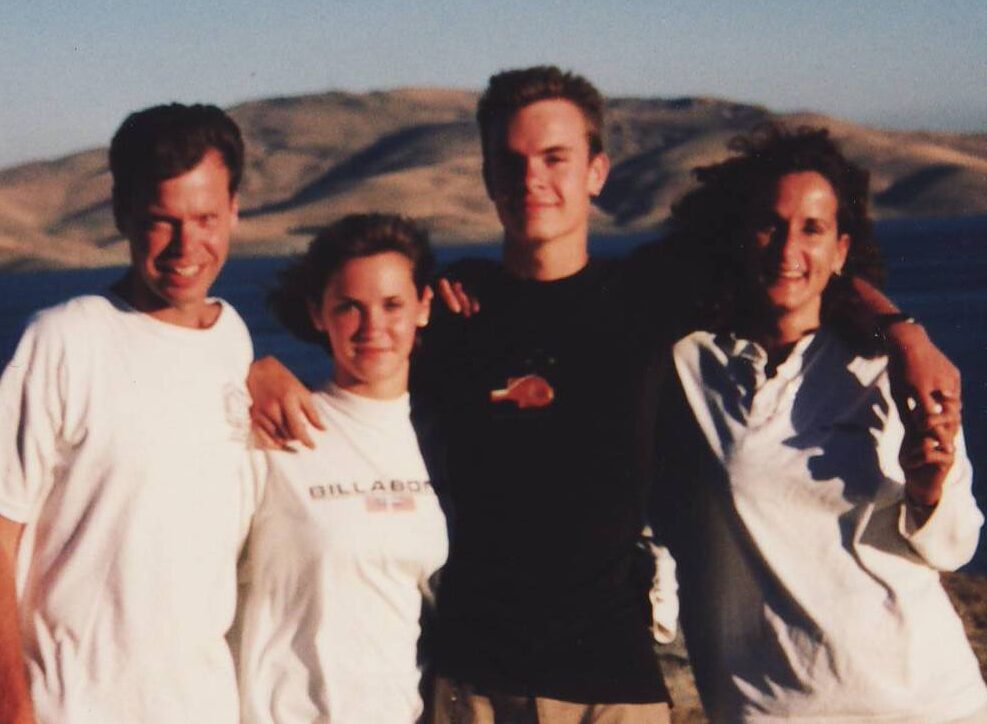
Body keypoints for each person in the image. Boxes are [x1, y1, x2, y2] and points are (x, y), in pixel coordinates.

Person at [248, 67, 963, 723]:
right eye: (512, 161)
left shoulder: (654, 295)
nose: (533, 179)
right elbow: (354, 353)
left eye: (555, 158)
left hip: (614, 688)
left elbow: (794, 265)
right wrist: (258, 369)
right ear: (488, 175)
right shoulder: (453, 310)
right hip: (473, 684)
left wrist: (905, 334)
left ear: (596, 171)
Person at [649, 124, 987, 722]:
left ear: (841, 250)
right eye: (769, 224)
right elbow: (655, 501)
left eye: (812, 229)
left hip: (928, 704)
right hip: (772, 709)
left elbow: (954, 546)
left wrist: (928, 492)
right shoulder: (692, 365)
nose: (788, 249)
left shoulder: (889, 371)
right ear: (739, 235)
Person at [0, 104, 254, 723]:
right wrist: (13, 707)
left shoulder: (235, 340)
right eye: (161, 221)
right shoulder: (62, 340)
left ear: (234, 211)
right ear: (121, 214)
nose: (186, 247)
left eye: (205, 218)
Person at [236, 214, 447, 723]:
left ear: (423, 307)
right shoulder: (275, 428)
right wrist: (244, 369)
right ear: (317, 313)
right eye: (350, 307)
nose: (373, 327)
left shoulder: (440, 441)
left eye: (392, 305)